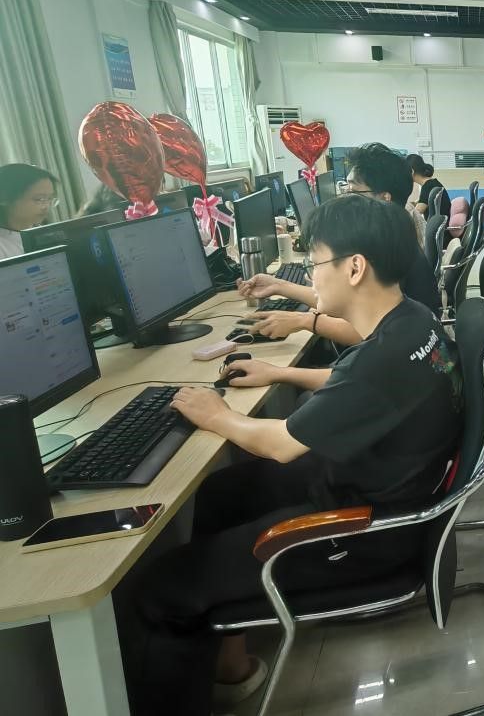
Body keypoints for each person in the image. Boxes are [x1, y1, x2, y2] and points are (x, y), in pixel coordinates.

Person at [120, 195, 462, 716]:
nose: (311, 274)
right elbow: (359, 388)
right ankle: (232, 662)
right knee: (221, 492)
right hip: (371, 479)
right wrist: (279, 372)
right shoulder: (412, 320)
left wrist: (216, 414)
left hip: (367, 531)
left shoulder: (384, 355)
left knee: (160, 590)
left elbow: (280, 445)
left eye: (316, 261)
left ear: (354, 268)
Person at [238, 143, 441, 346]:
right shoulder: (394, 234)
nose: (346, 199)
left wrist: (304, 321)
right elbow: (348, 300)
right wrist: (279, 286)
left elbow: (366, 332)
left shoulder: (385, 250)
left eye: (353, 191)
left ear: (384, 198)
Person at [0, 163, 58, 259]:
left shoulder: (45, 233)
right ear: (4, 198)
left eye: (50, 199)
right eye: (39, 199)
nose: (46, 206)